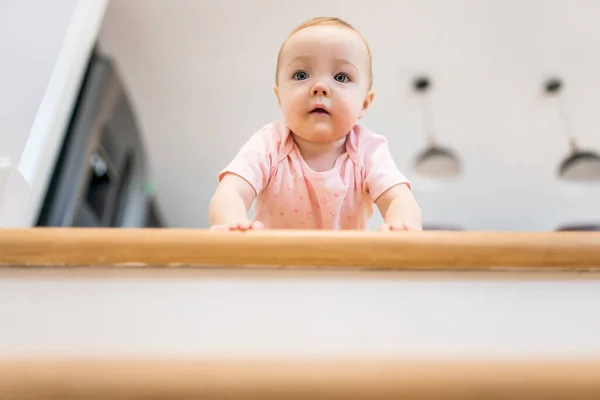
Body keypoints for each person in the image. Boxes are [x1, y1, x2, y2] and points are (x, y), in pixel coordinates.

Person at [209, 16, 422, 231]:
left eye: (341, 77)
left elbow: (399, 200)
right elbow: (231, 192)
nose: (320, 87)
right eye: (301, 75)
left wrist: (402, 226)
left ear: (364, 104)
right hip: (275, 262)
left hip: (346, 263)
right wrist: (232, 224)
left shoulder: (368, 151)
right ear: (279, 97)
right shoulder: (269, 145)